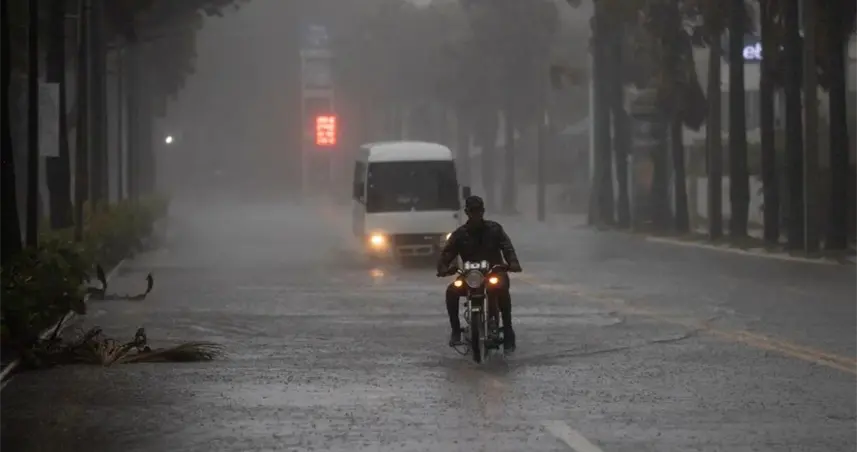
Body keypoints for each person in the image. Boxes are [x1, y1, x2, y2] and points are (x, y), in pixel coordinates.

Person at [436, 195, 522, 352]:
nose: (476, 214)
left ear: (483, 211)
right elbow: (447, 253)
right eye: (472, 211)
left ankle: (508, 331)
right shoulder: (460, 234)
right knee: (452, 291)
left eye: (479, 211)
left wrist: (513, 263)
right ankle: (456, 330)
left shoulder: (495, 229)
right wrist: (443, 267)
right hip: (470, 277)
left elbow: (507, 247)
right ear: (467, 212)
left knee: (501, 289)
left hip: (494, 273)